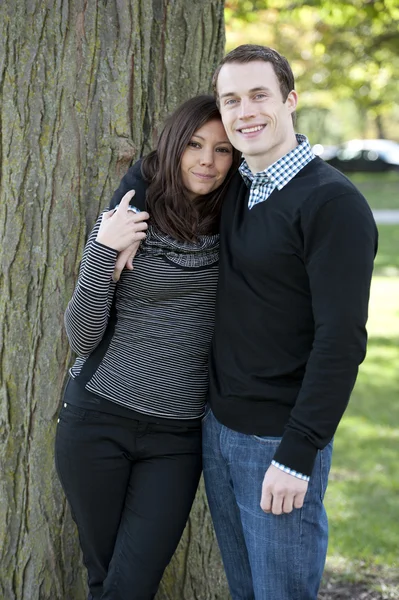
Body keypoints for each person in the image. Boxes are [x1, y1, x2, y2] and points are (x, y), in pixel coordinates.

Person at [202, 44, 378, 600]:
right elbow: (160, 165)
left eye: (259, 95)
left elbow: (342, 340)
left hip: (277, 444)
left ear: (291, 100)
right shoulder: (237, 187)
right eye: (231, 100)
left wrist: (298, 455)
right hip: (217, 433)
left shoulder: (332, 203)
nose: (245, 111)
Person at [54, 94, 241, 600]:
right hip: (96, 421)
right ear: (175, 147)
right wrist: (103, 248)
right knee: (105, 578)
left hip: (176, 439)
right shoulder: (127, 219)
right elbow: (81, 335)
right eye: (196, 145)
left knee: (131, 583)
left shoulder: (238, 226)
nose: (207, 160)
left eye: (223, 151)